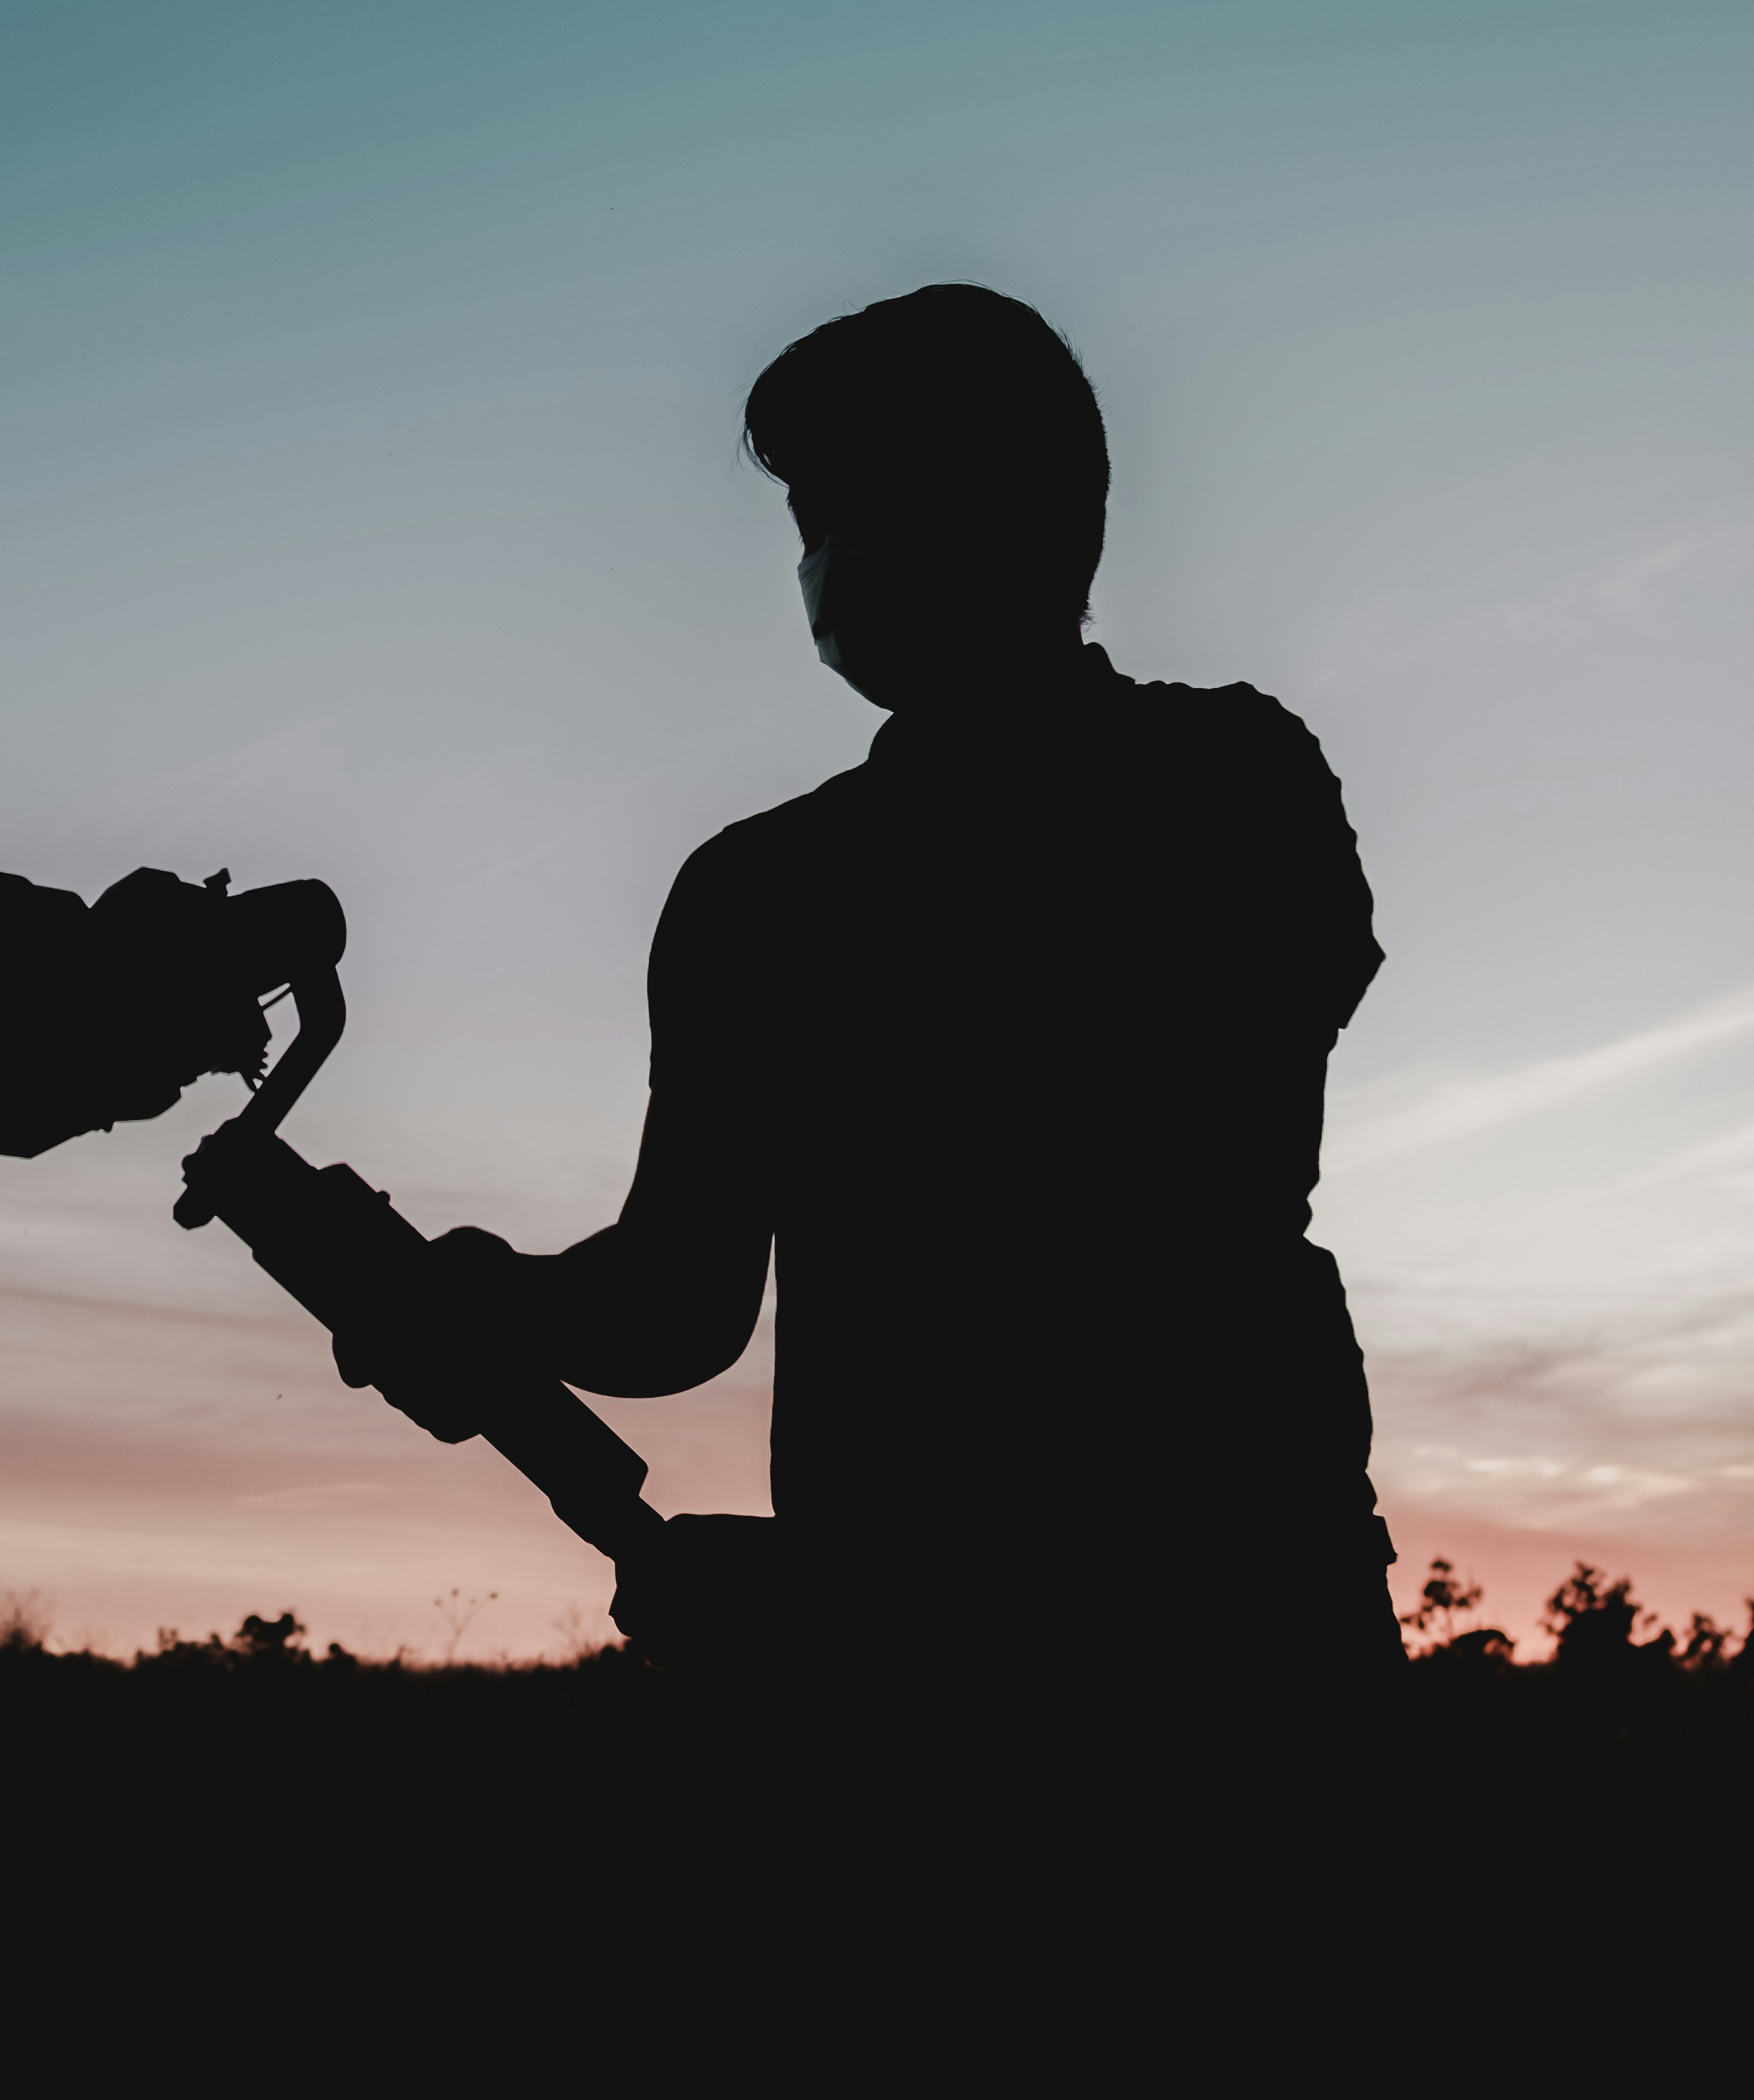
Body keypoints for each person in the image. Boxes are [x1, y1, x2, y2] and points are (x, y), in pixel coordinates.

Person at [341, 283, 1402, 1722]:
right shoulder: (776, 884)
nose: (822, 554)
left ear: (1005, 505)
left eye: (843, 500)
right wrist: (491, 1305)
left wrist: (893, 1590)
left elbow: (1112, 1210)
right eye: (807, 515)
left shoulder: (1218, 782)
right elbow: (676, 1302)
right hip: (1060, 1646)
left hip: (1210, 1645)